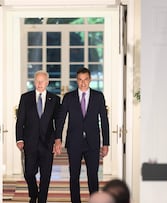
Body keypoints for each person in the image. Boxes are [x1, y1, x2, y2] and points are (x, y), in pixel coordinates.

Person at [55, 67, 110, 203]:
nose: (83, 83)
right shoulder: (69, 97)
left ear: (90, 80)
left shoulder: (98, 97)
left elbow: (104, 120)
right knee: (74, 176)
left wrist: (106, 143)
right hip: (74, 142)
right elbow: (61, 119)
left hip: (92, 142)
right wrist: (58, 139)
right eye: (80, 80)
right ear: (76, 81)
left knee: (93, 175)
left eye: (86, 80)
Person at [15, 70, 61, 203]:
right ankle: (34, 193)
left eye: (42, 81)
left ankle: (42, 200)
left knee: (46, 175)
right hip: (30, 142)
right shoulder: (25, 98)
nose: (40, 83)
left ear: (47, 82)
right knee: (29, 172)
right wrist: (19, 139)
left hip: (48, 143)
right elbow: (20, 121)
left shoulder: (55, 99)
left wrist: (57, 140)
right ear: (34, 82)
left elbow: (58, 122)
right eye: (37, 81)